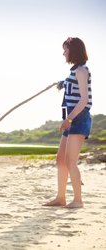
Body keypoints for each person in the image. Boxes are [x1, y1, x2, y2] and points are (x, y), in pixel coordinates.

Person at [44, 37, 92, 208]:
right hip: (71, 119)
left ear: (74, 50)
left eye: (65, 49)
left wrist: (69, 119)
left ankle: (78, 200)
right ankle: (61, 198)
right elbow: (74, 87)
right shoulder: (75, 71)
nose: (64, 52)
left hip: (78, 119)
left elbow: (84, 100)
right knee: (61, 159)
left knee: (71, 160)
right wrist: (62, 84)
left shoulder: (82, 70)